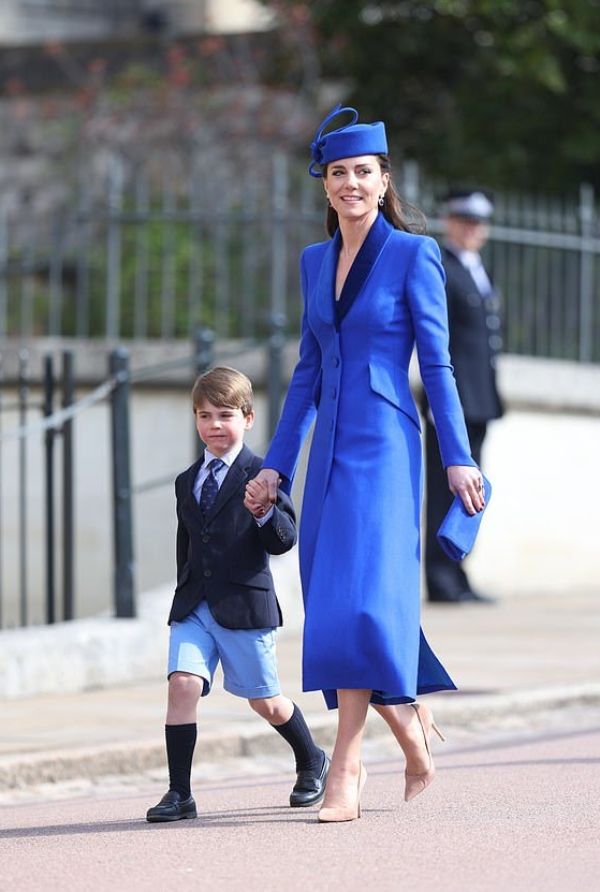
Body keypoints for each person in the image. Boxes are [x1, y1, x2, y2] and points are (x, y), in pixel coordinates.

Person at [247, 105, 485, 824]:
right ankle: (409, 724)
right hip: (326, 457)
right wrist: (276, 469)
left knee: (359, 600)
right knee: (337, 603)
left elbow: (438, 366)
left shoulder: (415, 255)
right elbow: (307, 374)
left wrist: (460, 461)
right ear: (326, 185)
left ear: (385, 183)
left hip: (385, 443)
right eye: (339, 173)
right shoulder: (314, 261)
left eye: (365, 173)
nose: (351, 183)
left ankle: (346, 768)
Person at [146, 366, 329, 823]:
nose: (214, 425)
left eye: (224, 415)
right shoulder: (185, 480)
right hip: (194, 606)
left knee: (264, 700)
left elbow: (283, 541)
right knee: (182, 685)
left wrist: (265, 512)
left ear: (248, 418)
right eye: (204, 416)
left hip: (244, 606)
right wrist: (181, 598)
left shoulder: (263, 474)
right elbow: (186, 545)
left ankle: (312, 759)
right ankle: (179, 793)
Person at [422, 189, 504, 604]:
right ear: (449, 221)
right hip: (451, 402)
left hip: (479, 398)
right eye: (464, 221)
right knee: (444, 488)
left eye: (478, 223)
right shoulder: (443, 267)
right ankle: (440, 576)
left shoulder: (475, 269)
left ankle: (457, 569)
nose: (472, 229)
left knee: (472, 491)